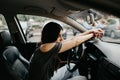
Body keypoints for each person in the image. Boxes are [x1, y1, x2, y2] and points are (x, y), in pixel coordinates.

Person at [28, 22, 104, 80]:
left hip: (48, 77)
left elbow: (72, 40)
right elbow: (75, 42)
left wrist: (90, 32)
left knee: (72, 66)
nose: (62, 39)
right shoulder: (46, 47)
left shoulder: (45, 45)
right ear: (51, 35)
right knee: (82, 78)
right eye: (59, 36)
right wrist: (93, 35)